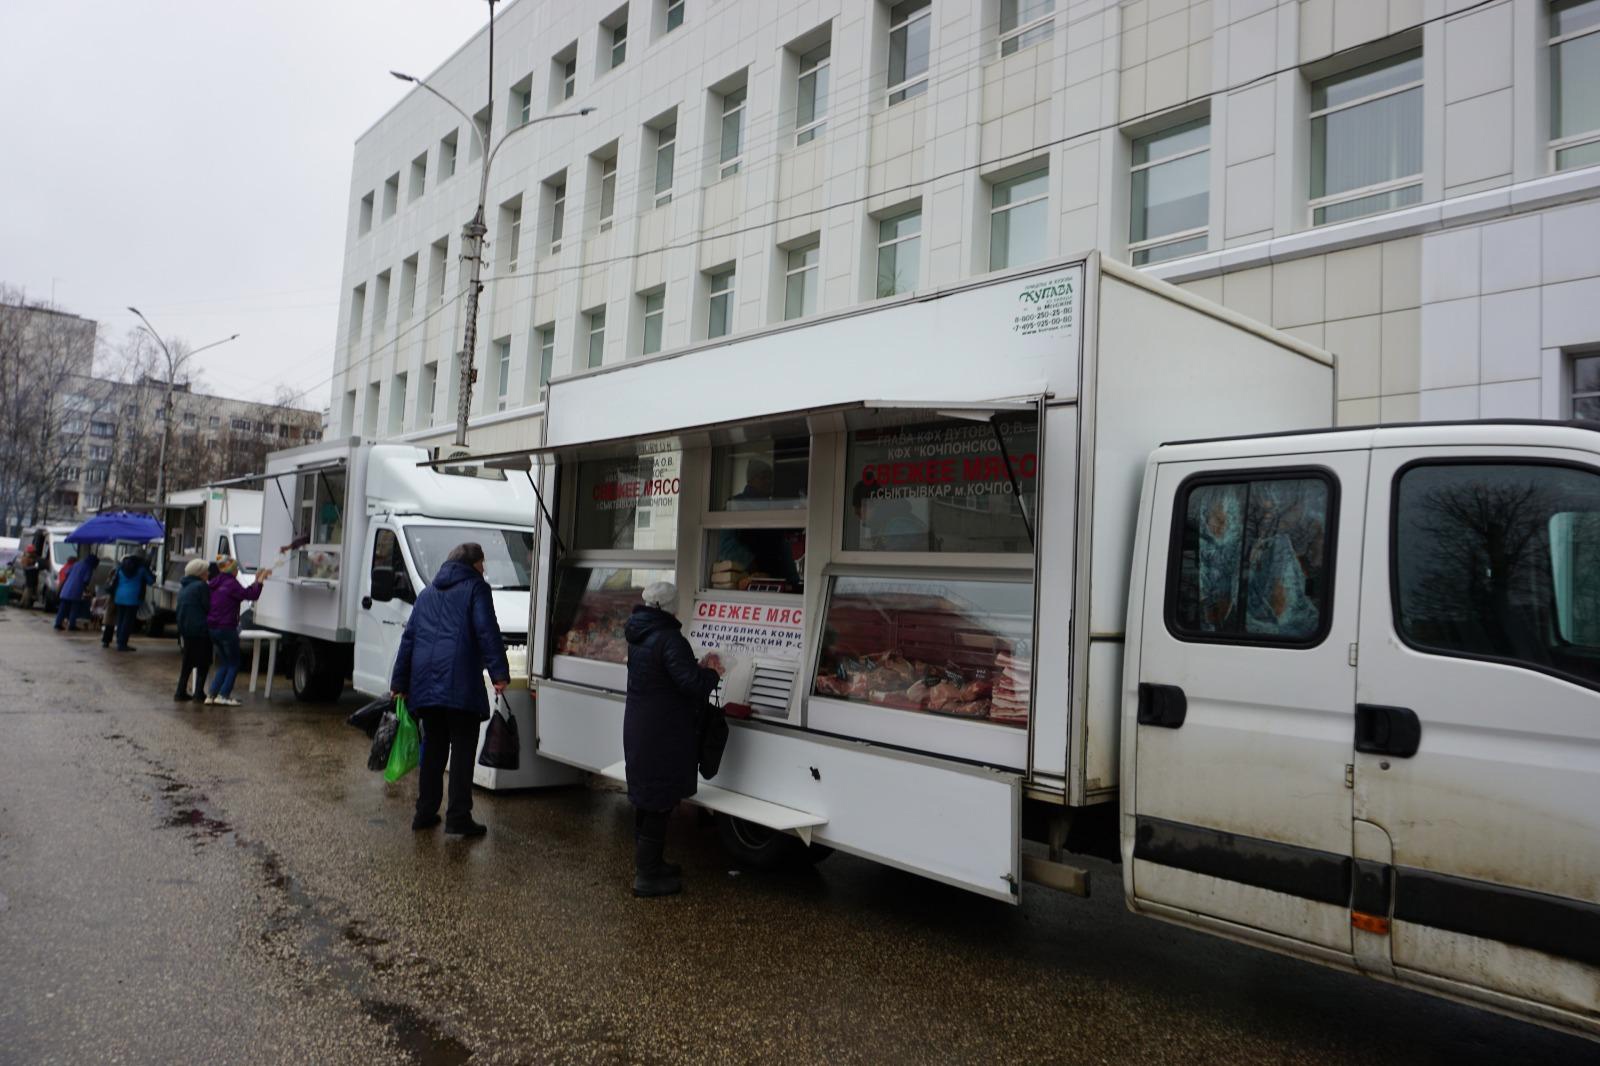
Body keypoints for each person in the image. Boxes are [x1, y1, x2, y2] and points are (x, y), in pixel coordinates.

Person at [390, 542, 509, 838]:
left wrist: (399, 683)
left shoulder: (427, 593)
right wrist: (500, 673)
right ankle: (458, 816)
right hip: (459, 684)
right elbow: (486, 630)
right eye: (482, 564)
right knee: (462, 749)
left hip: (425, 684)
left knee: (433, 749)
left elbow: (409, 639)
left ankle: (424, 812)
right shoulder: (476, 588)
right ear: (472, 565)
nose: (484, 570)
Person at [622, 581, 723, 898]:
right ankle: (647, 876)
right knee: (659, 800)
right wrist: (712, 673)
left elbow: (665, 674)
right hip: (662, 731)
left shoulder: (640, 634)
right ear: (670, 607)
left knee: (646, 798)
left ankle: (651, 864)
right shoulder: (669, 639)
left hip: (642, 726)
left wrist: (694, 668)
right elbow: (691, 685)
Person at [205, 557, 269, 706]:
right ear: (232, 570)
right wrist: (260, 581)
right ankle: (224, 695)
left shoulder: (215, 582)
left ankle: (211, 695)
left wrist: (256, 579)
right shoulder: (231, 584)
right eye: (236, 568)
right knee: (234, 663)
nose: (237, 571)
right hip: (227, 628)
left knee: (224, 663)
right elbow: (251, 595)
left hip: (212, 628)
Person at [174, 559, 213, 702]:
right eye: (206, 571)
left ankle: (180, 691)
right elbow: (208, 606)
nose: (208, 573)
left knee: (188, 662)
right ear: (200, 573)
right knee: (204, 662)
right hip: (200, 628)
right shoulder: (201, 586)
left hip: (186, 628)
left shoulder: (184, 586)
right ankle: (198, 693)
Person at [107, 553, 155, 651]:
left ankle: (119, 641)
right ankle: (122, 644)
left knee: (120, 620)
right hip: (133, 598)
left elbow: (114, 581)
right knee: (127, 622)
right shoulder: (141, 570)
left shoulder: (120, 568)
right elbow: (151, 581)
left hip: (119, 597)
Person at [53, 549, 98, 632]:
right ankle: (72, 625)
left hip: (66, 588)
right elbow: (86, 580)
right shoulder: (88, 568)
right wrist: (86, 590)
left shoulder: (76, 564)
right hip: (76, 589)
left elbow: (67, 573)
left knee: (62, 607)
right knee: (75, 608)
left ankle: (58, 623)